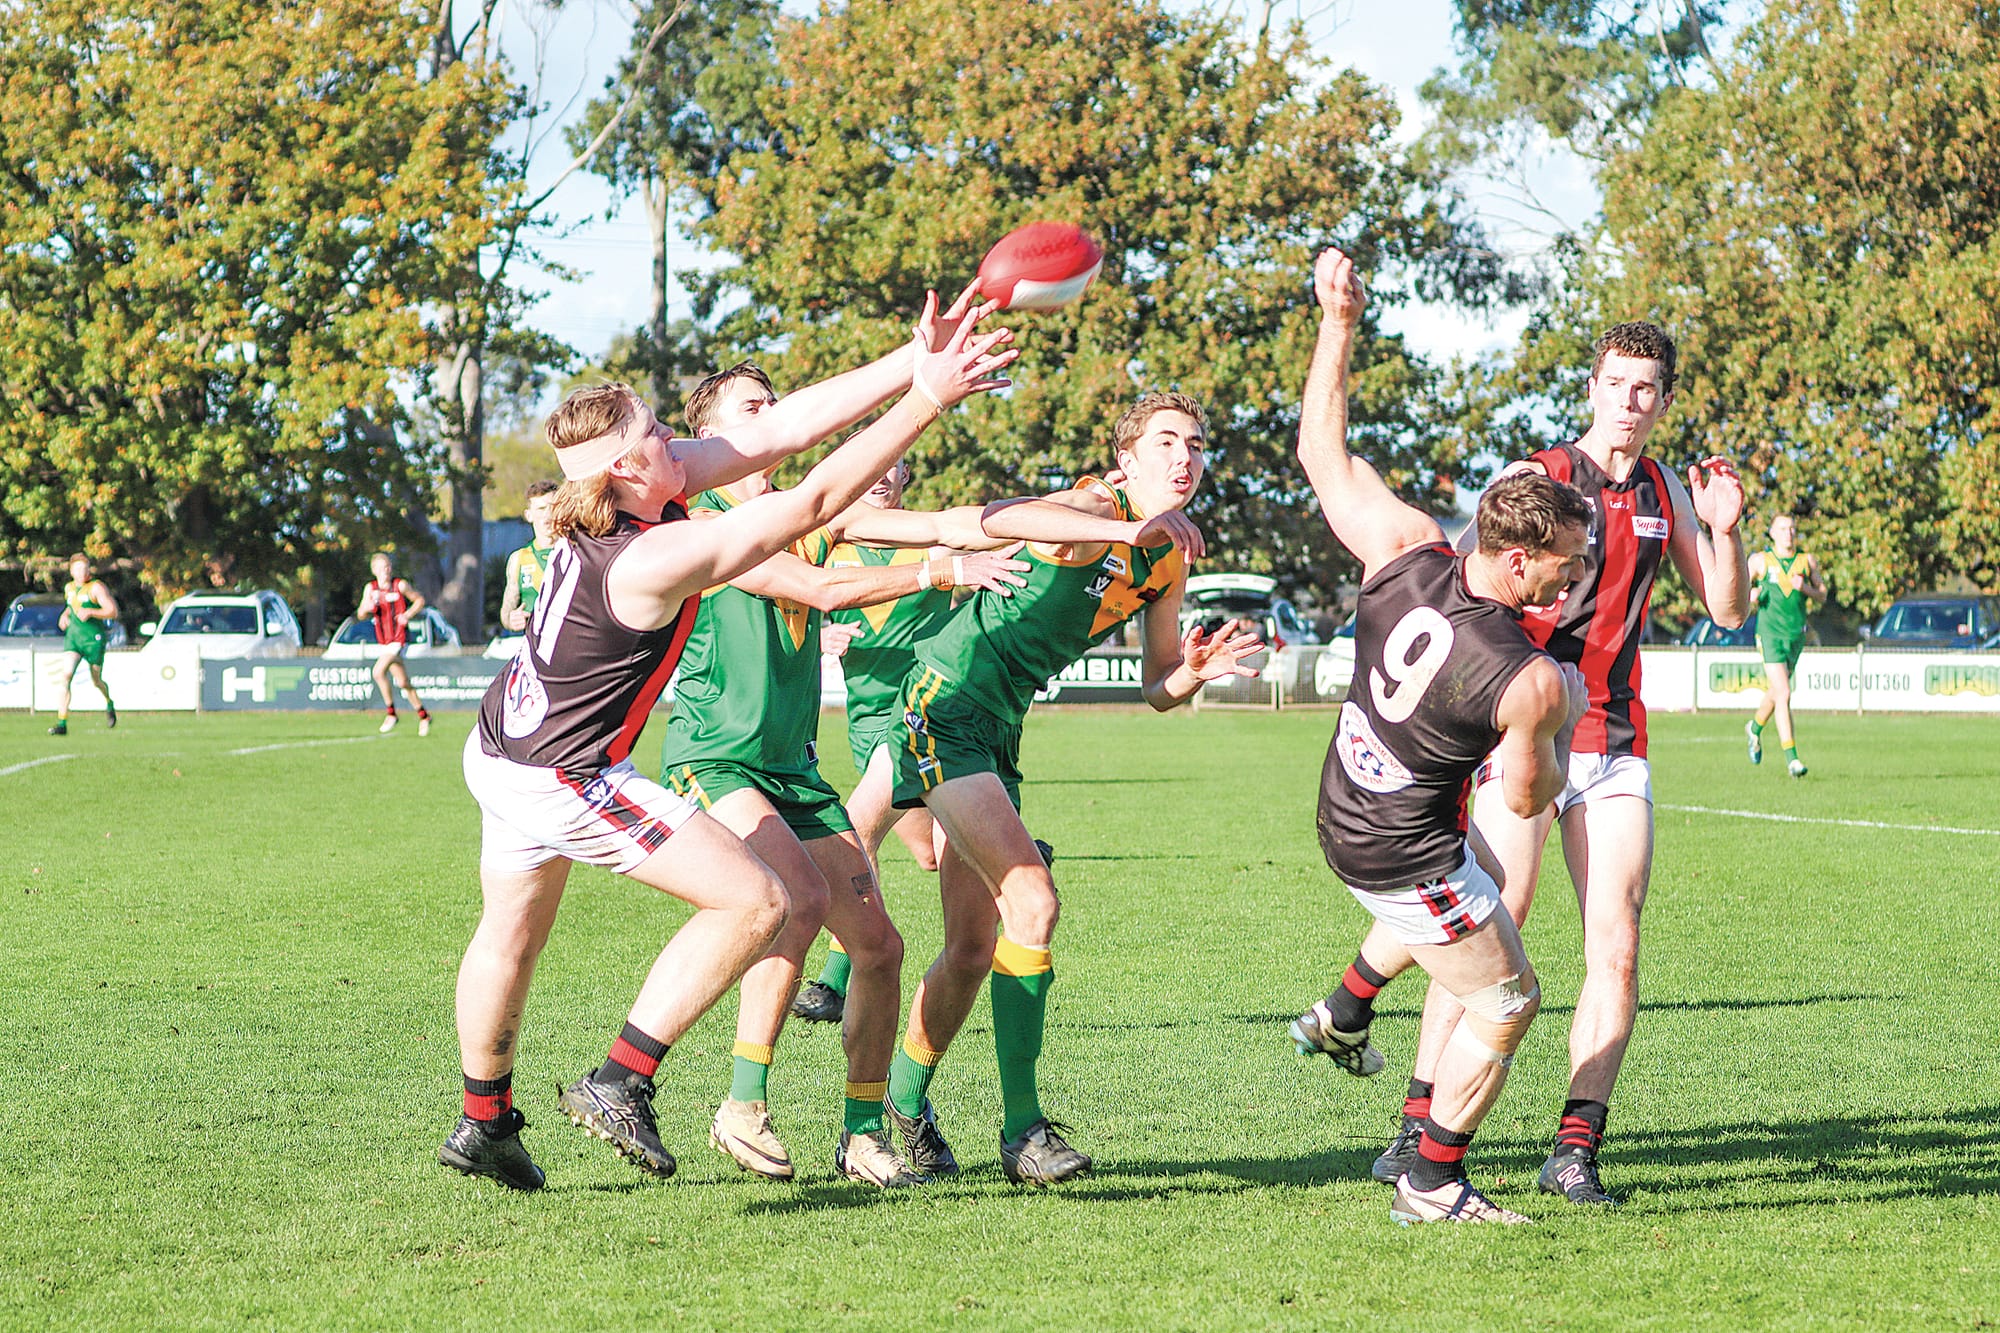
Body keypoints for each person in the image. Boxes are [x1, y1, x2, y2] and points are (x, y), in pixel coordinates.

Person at [439, 288, 1015, 1192]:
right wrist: (928, 400)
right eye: (658, 433)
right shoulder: (655, 553)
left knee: (510, 932)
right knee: (759, 900)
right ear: (628, 471)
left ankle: (483, 1124)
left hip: (501, 747)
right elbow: (815, 493)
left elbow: (779, 436)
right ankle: (619, 1078)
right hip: (564, 770)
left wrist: (915, 360)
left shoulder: (624, 498)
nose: (674, 438)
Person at [1355, 315, 1748, 1207]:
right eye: (1617, 383)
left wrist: (1725, 529)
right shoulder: (1541, 475)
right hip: (1526, 731)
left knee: (1616, 944)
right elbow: (1470, 569)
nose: (1630, 401)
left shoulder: (1664, 490)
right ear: (1593, 389)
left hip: (1615, 738)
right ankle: (1419, 1119)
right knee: (1494, 917)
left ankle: (1575, 1147)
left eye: (1647, 387)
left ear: (1664, 400)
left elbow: (1726, 610)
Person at [658, 362, 1029, 1187]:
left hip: (793, 769)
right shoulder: (699, 520)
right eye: (754, 407)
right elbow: (820, 589)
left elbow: (957, 523)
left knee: (881, 946)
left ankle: (862, 1133)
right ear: (712, 432)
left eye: (774, 407)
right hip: (714, 756)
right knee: (790, 902)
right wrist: (937, 570)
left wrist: (1088, 515)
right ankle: (742, 1101)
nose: (771, 417)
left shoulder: (809, 514)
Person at [878, 390, 1262, 1186]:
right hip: (943, 701)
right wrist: (1119, 523)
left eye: (1195, 442)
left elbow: (1155, 685)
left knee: (974, 945)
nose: (1184, 456)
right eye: (1164, 442)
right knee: (1034, 901)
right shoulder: (1098, 505)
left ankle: (903, 1103)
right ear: (1127, 461)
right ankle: (1023, 1131)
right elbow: (1008, 515)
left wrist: (1193, 670)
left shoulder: (1164, 557)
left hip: (998, 731)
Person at [1289, 246, 1591, 1224]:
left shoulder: (1407, 547)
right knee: (1508, 998)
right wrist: (1563, 718)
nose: (1572, 582)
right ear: (1516, 555)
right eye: (1565, 566)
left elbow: (1321, 457)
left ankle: (1345, 1008)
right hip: (1396, 847)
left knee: (1486, 898)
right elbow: (1524, 798)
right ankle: (1430, 1177)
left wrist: (1336, 326)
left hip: (1344, 810)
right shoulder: (1528, 674)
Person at [790, 460, 1056, 1029]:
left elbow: (974, 573)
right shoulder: (826, 538)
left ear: (908, 475)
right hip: (866, 717)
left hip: (925, 708)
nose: (881, 476)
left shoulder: (934, 540)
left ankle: (836, 982)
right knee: (928, 853)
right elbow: (787, 607)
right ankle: (1013, 850)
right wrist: (818, 638)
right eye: (873, 467)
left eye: (894, 468)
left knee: (859, 831)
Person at [1746, 514, 1824, 778]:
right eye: (1783, 528)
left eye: (1792, 528)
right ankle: (1792, 759)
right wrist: (1751, 596)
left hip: (1795, 637)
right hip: (1769, 635)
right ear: (1772, 533)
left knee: (1777, 692)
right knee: (1784, 692)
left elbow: (1823, 594)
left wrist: (1807, 590)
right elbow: (1739, 591)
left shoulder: (1806, 561)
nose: (1788, 533)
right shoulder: (1760, 561)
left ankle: (1755, 729)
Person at [356, 552, 432, 736]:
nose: (386, 571)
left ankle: (391, 713)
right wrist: (365, 609)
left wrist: (407, 615)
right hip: (384, 642)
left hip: (399, 640)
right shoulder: (371, 589)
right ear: (374, 570)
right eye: (382, 568)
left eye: (388, 566)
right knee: (403, 681)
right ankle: (423, 715)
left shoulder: (400, 585)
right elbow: (361, 614)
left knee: (378, 672)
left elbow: (420, 600)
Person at [48, 553, 118, 736]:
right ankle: (62, 722)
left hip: (93, 639)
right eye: (78, 569)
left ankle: (109, 703)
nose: (82, 572)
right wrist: (64, 616)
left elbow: (112, 611)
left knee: (96, 680)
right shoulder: (69, 588)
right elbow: (71, 607)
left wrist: (91, 612)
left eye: (85, 568)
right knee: (66, 676)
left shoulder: (96, 588)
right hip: (74, 639)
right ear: (71, 571)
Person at [499, 480, 560, 636]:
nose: (547, 515)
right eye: (540, 509)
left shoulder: (577, 552)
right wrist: (512, 620)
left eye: (552, 507)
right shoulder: (519, 559)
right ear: (529, 515)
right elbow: (507, 614)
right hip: (535, 649)